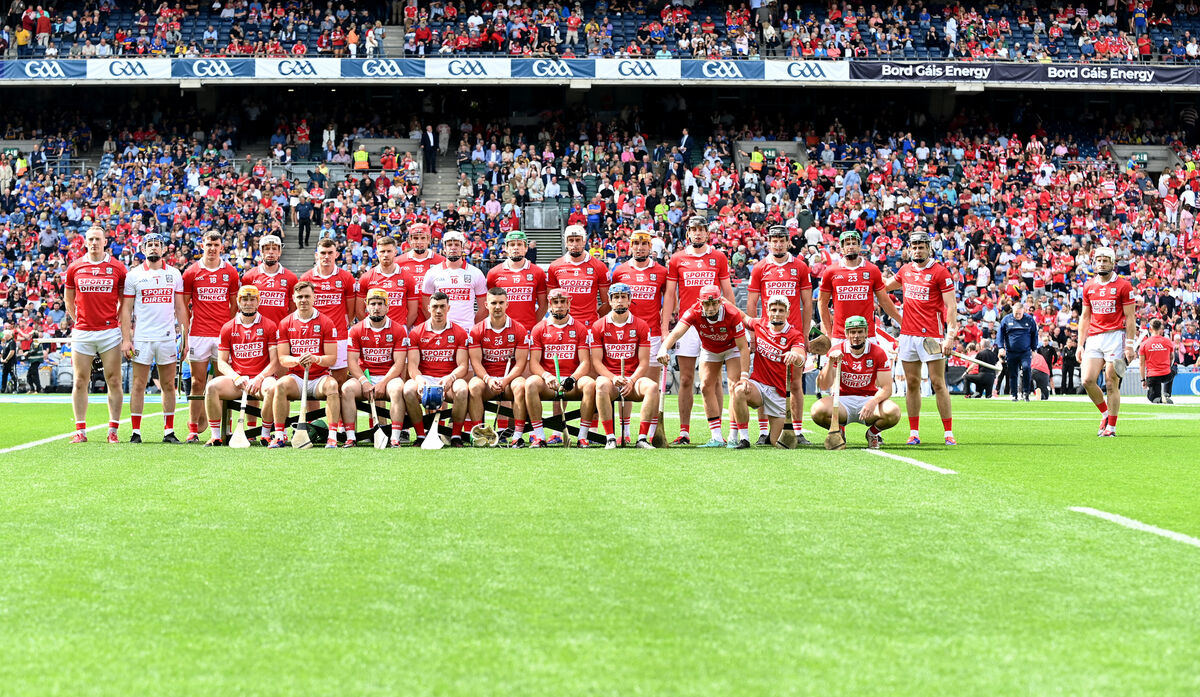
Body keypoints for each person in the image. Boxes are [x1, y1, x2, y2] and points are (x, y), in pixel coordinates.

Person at [661, 216, 735, 445]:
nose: (698, 233)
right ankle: (684, 431)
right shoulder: (677, 259)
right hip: (689, 324)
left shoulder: (719, 257)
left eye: (702, 229)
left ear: (707, 233)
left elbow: (727, 291)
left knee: (712, 381)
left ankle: (717, 432)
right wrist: (665, 329)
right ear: (688, 233)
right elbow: (671, 295)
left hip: (714, 322)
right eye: (693, 229)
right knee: (685, 379)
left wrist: (734, 321)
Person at [883, 230, 958, 446]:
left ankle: (948, 432)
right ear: (909, 249)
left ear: (929, 248)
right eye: (914, 247)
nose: (917, 250)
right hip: (908, 335)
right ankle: (914, 432)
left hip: (932, 336)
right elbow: (885, 286)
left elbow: (951, 306)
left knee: (938, 382)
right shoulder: (905, 270)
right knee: (913, 383)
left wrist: (950, 336)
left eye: (921, 247)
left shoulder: (940, 272)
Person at [657, 284, 750, 448]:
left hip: (731, 347)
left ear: (720, 301)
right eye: (707, 304)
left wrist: (744, 375)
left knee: (735, 386)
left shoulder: (732, 313)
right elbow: (677, 332)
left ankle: (734, 435)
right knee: (706, 386)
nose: (711, 307)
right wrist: (663, 348)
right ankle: (716, 437)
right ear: (700, 303)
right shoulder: (693, 311)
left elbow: (743, 347)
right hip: (710, 347)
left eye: (714, 303)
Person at [746, 225, 813, 445]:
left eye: (782, 240)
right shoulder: (760, 267)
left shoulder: (800, 267)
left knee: (795, 383)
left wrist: (804, 336)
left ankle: (797, 430)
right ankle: (764, 432)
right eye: (774, 240)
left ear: (788, 242)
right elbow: (752, 303)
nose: (778, 244)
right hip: (767, 332)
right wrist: (753, 336)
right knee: (763, 381)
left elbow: (806, 304)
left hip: (792, 336)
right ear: (769, 242)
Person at [120, 233, 189, 443]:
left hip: (167, 337)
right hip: (142, 338)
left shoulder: (175, 274)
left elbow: (180, 307)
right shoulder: (134, 275)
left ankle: (168, 431)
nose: (153, 248)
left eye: (157, 245)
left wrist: (185, 338)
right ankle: (136, 432)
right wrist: (126, 339)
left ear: (164, 249)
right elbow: (126, 310)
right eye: (149, 245)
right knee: (138, 384)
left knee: (168, 385)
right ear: (143, 249)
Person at [64, 226, 128, 443]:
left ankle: (113, 430)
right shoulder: (75, 267)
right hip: (82, 332)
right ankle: (80, 430)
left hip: (109, 332)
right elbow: (68, 299)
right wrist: (79, 320)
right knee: (80, 381)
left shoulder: (117, 267)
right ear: (85, 242)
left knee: (114, 380)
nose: (94, 243)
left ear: (105, 242)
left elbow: (124, 301)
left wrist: (116, 321)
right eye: (90, 239)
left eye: (97, 239)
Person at [609, 230, 668, 439]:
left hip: (652, 335)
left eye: (644, 244)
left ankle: (651, 433)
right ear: (630, 246)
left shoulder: (661, 271)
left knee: (650, 386)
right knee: (625, 383)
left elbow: (670, 302)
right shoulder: (619, 271)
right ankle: (624, 432)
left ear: (650, 247)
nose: (640, 247)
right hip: (624, 336)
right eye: (636, 244)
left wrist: (665, 332)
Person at [182, 231, 240, 442]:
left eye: (216, 244)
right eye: (209, 244)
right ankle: (193, 429)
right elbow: (184, 304)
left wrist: (228, 328)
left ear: (221, 247)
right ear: (202, 246)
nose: (213, 248)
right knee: (197, 382)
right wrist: (187, 327)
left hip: (222, 335)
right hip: (198, 333)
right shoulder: (191, 272)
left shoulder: (231, 272)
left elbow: (234, 304)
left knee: (223, 382)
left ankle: (226, 427)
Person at [810, 315, 901, 449]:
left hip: (868, 399)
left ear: (866, 333)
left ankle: (872, 433)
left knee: (894, 412)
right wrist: (830, 362)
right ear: (846, 334)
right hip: (842, 402)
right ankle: (838, 430)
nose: (856, 335)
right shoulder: (836, 350)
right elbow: (823, 385)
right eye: (852, 332)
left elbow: (887, 388)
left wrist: (873, 402)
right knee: (817, 410)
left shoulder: (878, 352)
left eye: (860, 331)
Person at [270, 281, 342, 449]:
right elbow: (283, 358)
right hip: (297, 377)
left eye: (307, 296)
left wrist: (316, 359)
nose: (303, 300)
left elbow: (331, 358)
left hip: (319, 378)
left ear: (314, 298)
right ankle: (280, 435)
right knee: (280, 385)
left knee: (333, 386)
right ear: (294, 299)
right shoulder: (285, 323)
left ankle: (332, 436)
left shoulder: (326, 322)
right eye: (300, 296)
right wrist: (297, 360)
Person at [205, 285, 280, 446]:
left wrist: (260, 377)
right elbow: (222, 362)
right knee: (211, 387)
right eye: (244, 299)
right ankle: (216, 435)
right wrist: (236, 377)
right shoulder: (227, 328)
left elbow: (275, 362)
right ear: (239, 302)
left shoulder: (269, 325)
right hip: (238, 380)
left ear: (258, 301)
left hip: (262, 378)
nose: (248, 303)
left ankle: (265, 434)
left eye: (252, 299)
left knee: (273, 389)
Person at [730, 295, 807, 449]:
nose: (777, 313)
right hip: (758, 385)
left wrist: (796, 356)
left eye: (780, 310)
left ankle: (772, 433)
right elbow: (743, 316)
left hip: (778, 393)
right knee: (738, 391)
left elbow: (801, 357)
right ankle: (744, 439)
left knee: (776, 443)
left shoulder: (794, 335)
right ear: (767, 311)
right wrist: (724, 301)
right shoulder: (760, 324)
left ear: (787, 313)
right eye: (773, 310)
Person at [525, 289, 598, 448]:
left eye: (563, 302)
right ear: (550, 304)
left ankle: (582, 436)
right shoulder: (539, 328)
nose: (559, 306)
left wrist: (572, 378)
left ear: (569, 303)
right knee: (530, 383)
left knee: (590, 384)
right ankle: (539, 436)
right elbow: (534, 364)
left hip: (571, 381)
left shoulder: (579, 329)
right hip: (549, 382)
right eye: (555, 302)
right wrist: (547, 376)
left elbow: (585, 362)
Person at [591, 283, 659, 449]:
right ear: (610, 301)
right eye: (616, 298)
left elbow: (644, 362)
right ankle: (610, 438)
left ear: (629, 300)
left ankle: (642, 439)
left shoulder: (641, 325)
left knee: (652, 386)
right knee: (600, 385)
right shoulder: (598, 326)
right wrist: (613, 378)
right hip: (611, 379)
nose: (619, 301)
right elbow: (596, 362)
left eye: (623, 297)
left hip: (633, 379)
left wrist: (631, 380)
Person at [1077, 247, 1137, 437]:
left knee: (1111, 381)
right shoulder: (1088, 286)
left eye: (1105, 260)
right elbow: (1085, 317)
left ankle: (1111, 427)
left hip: (1115, 336)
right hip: (1094, 337)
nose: (1101, 263)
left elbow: (1130, 318)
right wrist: (1080, 344)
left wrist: (1129, 345)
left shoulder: (1124, 286)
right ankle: (1105, 413)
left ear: (1113, 263)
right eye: (1099, 260)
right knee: (1087, 380)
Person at [341, 288, 409, 447]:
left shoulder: (399, 329)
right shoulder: (356, 330)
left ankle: (395, 437)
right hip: (365, 377)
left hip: (389, 377)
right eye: (372, 304)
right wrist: (365, 382)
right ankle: (351, 437)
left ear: (387, 307)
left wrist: (383, 383)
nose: (376, 307)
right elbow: (352, 362)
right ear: (366, 306)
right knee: (346, 389)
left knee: (398, 388)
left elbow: (398, 364)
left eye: (380, 304)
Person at [403, 292, 470, 447]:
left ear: (448, 308)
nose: (438, 311)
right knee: (407, 390)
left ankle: (455, 436)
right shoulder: (416, 332)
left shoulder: (459, 332)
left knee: (462, 389)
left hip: (448, 379)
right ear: (428, 308)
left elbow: (463, 366)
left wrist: (450, 378)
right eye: (435, 307)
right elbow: (412, 366)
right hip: (425, 377)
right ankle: (421, 435)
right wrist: (419, 380)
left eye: (442, 306)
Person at [467, 287, 530, 446]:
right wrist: (488, 379)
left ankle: (516, 435)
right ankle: (479, 433)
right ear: (486, 305)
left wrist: (505, 380)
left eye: (501, 303)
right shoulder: (476, 330)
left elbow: (521, 363)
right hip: (486, 378)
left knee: (521, 385)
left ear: (507, 304)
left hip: (510, 378)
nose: (497, 306)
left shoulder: (519, 329)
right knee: (473, 386)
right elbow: (476, 362)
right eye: (493, 303)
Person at [818, 230, 901, 343]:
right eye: (847, 244)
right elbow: (822, 303)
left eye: (854, 243)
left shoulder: (873, 270)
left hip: (867, 334)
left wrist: (903, 323)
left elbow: (885, 302)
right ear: (841, 247)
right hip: (840, 335)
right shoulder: (831, 271)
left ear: (860, 246)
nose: (851, 246)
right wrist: (828, 333)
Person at [300, 238, 357, 383]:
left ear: (336, 254)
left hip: (339, 336)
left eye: (330, 253)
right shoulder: (306, 277)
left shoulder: (346, 277)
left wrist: (342, 323)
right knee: (312, 381)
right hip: (314, 336)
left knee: (339, 381)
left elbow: (351, 309)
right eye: (323, 253)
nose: (326, 256)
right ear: (316, 255)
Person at [420, 231, 487, 330]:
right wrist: (437, 325)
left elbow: (483, 308)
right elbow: (426, 307)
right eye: (449, 244)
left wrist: (473, 327)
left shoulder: (476, 273)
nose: (453, 247)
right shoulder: (432, 273)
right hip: (441, 330)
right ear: (444, 248)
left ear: (462, 247)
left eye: (456, 244)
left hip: (467, 330)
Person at [484, 231, 547, 332]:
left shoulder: (538, 272)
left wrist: (534, 325)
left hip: (528, 330)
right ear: (506, 248)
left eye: (519, 244)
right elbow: (490, 304)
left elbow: (543, 305)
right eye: (512, 244)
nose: (516, 247)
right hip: (502, 330)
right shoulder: (494, 273)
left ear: (526, 248)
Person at [356, 235, 414, 327]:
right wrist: (372, 327)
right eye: (383, 251)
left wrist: (402, 329)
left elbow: (413, 312)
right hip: (373, 331)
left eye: (389, 251)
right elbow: (359, 311)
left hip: (399, 330)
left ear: (395, 252)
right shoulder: (366, 278)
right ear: (377, 253)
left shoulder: (407, 277)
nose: (386, 254)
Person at [241, 234, 298, 327]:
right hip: (255, 333)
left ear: (280, 252)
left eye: (275, 249)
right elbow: (243, 308)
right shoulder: (249, 277)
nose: (271, 252)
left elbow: (293, 310)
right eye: (267, 248)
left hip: (280, 333)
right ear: (261, 251)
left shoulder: (291, 278)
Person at [397, 222, 445, 325]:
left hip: (434, 320)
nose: (419, 242)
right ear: (409, 240)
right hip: (406, 320)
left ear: (429, 239)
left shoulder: (442, 262)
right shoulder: (398, 262)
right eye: (415, 238)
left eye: (423, 238)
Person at [997, 302, 1039, 401]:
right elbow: (1000, 334)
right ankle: (1014, 394)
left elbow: (1034, 335)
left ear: (1023, 311)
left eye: (1020, 313)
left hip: (1025, 352)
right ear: (1013, 311)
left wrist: (1034, 349)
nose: (1018, 315)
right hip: (1011, 351)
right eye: (1016, 313)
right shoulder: (1006, 319)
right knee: (1012, 373)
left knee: (1026, 368)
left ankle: (1026, 392)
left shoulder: (1029, 320)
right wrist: (1000, 347)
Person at [1139, 318, 1176, 404]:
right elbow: (1172, 357)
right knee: (1174, 369)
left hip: (1153, 375)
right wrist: (1168, 367)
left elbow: (1141, 364)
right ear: (1160, 328)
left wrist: (1143, 380)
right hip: (1166, 375)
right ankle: (1167, 393)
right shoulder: (1167, 341)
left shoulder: (1144, 344)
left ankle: (1160, 398)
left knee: (1152, 398)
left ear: (1150, 329)